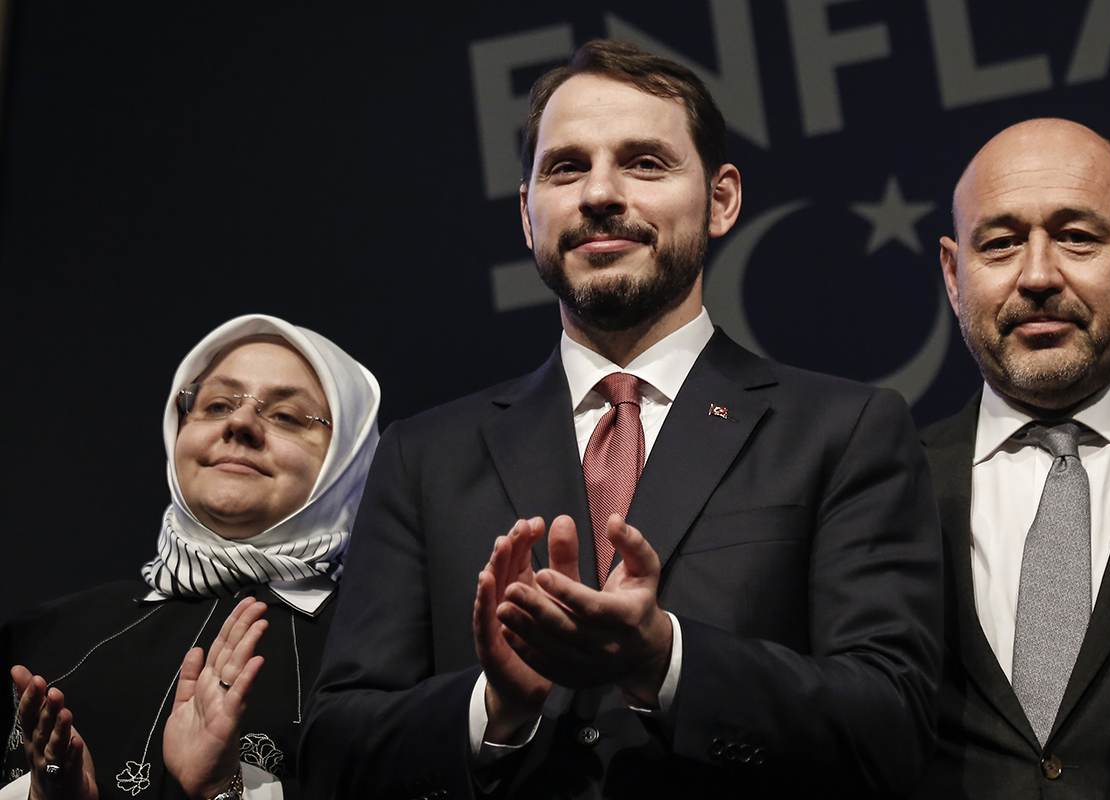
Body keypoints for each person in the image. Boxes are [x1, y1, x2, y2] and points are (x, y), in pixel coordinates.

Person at [301, 39, 942, 799]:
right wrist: (492, 708)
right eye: (566, 167)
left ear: (722, 199)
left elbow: (892, 728)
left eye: (644, 163)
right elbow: (333, 755)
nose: (600, 193)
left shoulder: (845, 429)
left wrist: (665, 658)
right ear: (527, 214)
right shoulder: (423, 458)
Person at [911, 118, 1110, 798]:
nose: (1038, 276)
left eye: (1077, 237)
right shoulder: (877, 481)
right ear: (954, 275)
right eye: (1003, 243)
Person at [1, 313, 381, 800]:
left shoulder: (377, 650)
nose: (240, 423)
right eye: (217, 404)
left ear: (346, 461)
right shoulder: (45, 638)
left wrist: (226, 789)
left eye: (286, 416)